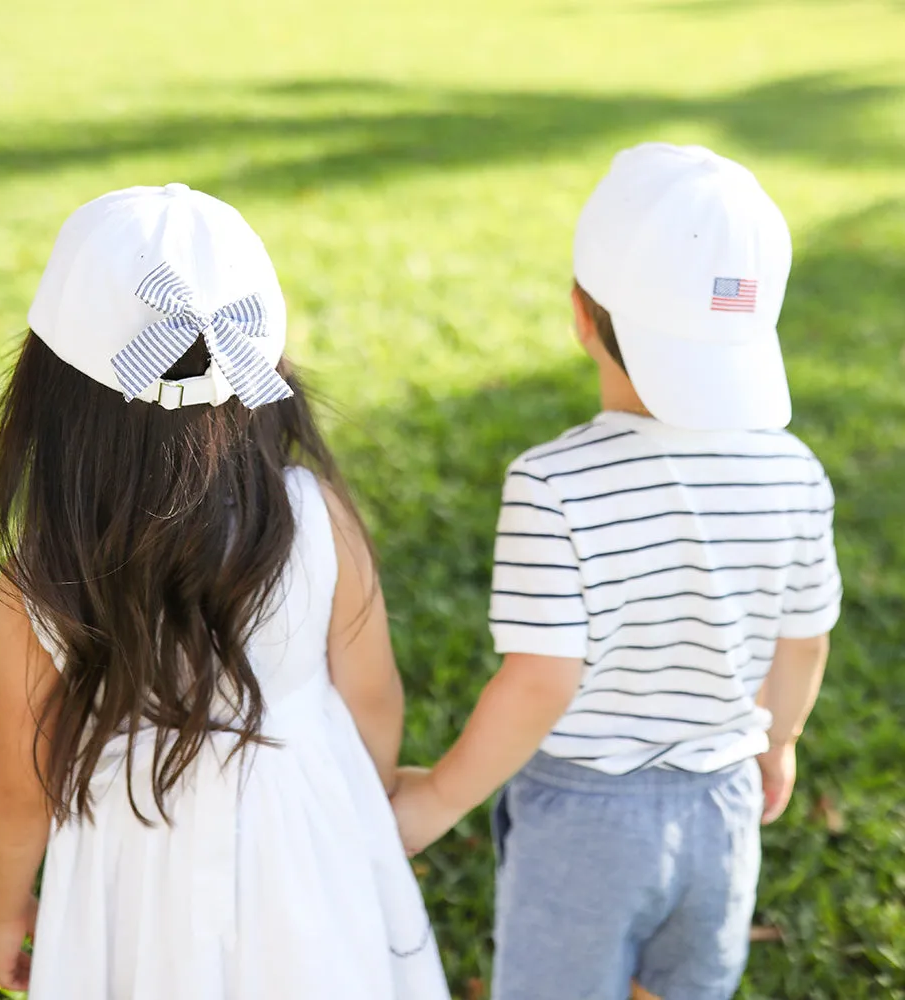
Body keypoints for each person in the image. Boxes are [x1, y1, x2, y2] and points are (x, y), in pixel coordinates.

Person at [0, 183, 450, 1000]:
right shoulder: (314, 515)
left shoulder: (42, 573)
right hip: (302, 832)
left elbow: (22, 782)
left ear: (48, 383)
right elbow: (373, 699)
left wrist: (7, 908)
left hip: (132, 852)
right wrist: (353, 808)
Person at [392, 144, 841, 1000]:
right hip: (724, 805)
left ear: (580, 314)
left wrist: (440, 797)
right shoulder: (795, 469)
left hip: (585, 823)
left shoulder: (554, 483)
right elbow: (804, 643)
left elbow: (542, 681)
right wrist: (777, 742)